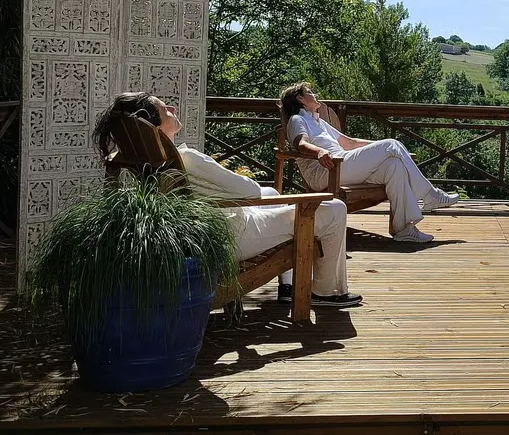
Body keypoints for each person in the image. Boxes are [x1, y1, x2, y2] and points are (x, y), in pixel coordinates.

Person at [92, 92, 362, 309]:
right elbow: (250, 190)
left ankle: (287, 287)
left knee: (273, 194)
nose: (173, 108)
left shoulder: (152, 159)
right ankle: (325, 292)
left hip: (211, 227)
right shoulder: (189, 158)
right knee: (334, 208)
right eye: (166, 109)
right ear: (156, 125)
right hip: (235, 235)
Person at [281, 82, 459, 243]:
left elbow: (350, 143)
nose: (316, 95)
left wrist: (385, 148)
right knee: (391, 145)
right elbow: (301, 143)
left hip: (341, 166)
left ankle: (403, 229)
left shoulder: (317, 121)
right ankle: (430, 196)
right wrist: (319, 151)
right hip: (325, 171)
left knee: (394, 166)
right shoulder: (298, 119)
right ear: (301, 99)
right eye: (311, 92)